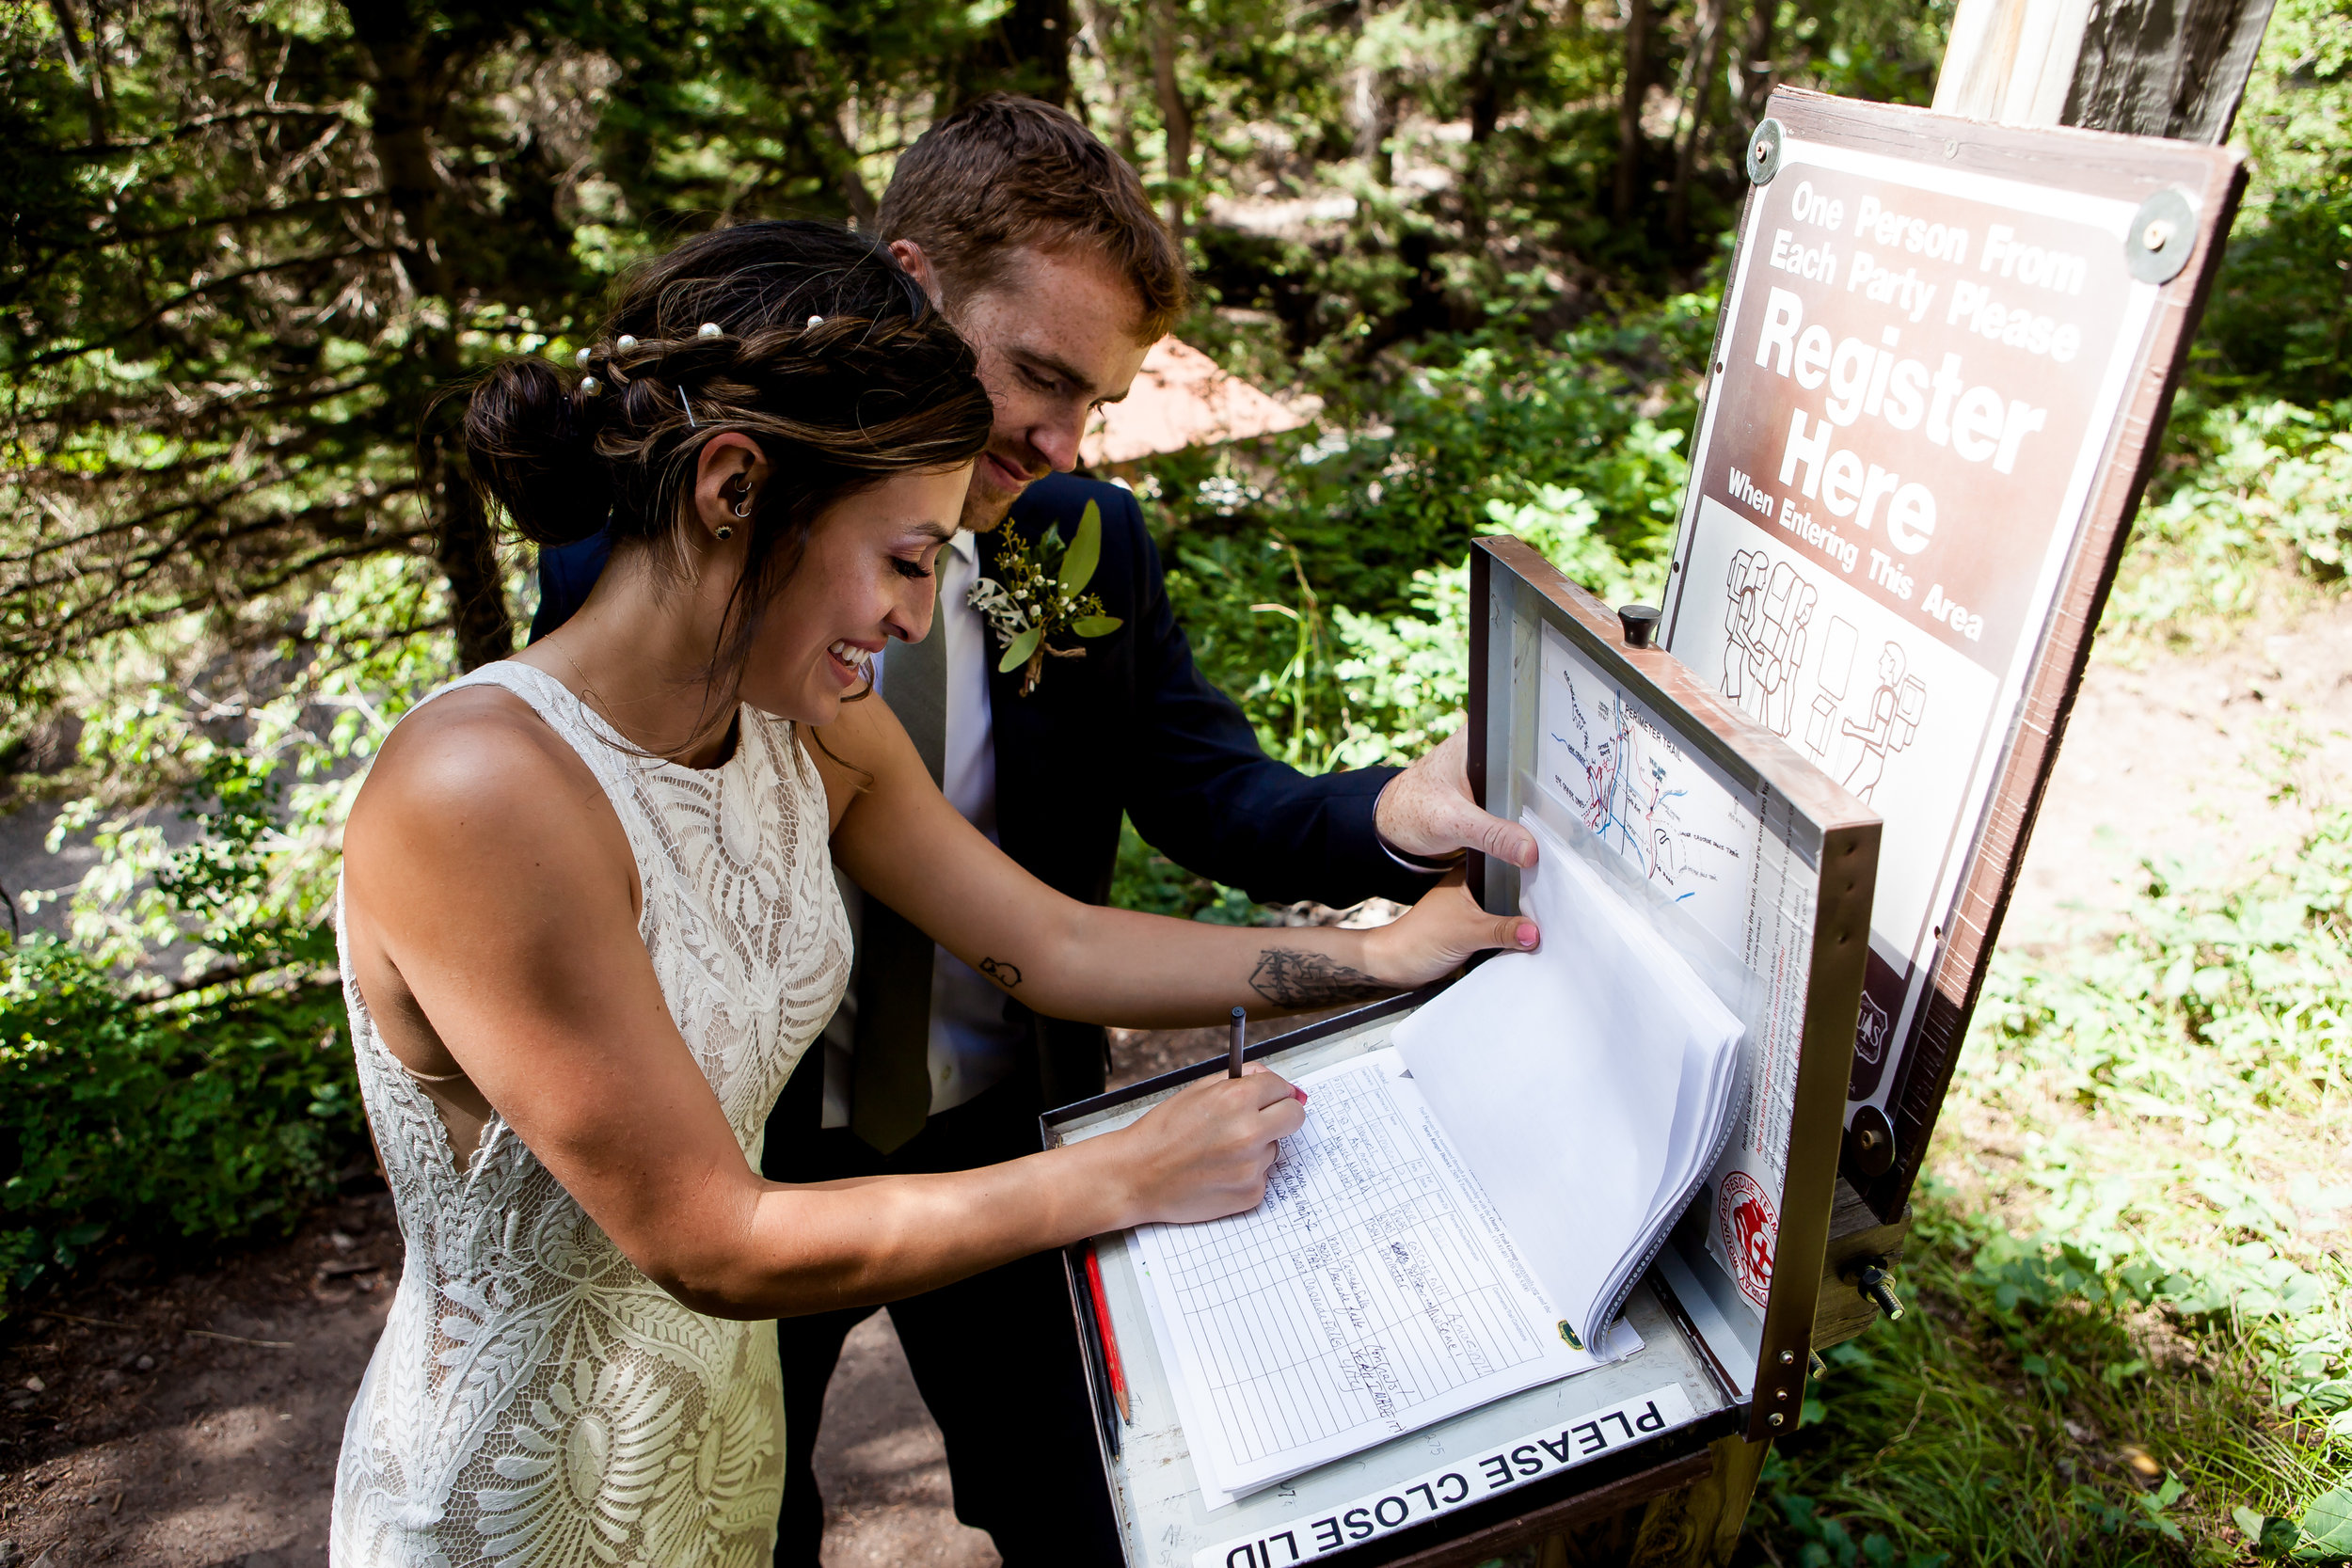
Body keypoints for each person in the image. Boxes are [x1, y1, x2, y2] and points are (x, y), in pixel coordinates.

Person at [328, 220, 1537, 1568]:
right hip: (523, 1507)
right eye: (907, 558)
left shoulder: (802, 721)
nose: (922, 614)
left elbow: (1047, 939)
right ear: (732, 488)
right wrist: (1121, 1175)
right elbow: (712, 1240)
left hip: (714, 1468)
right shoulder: (477, 794)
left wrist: (1374, 962)